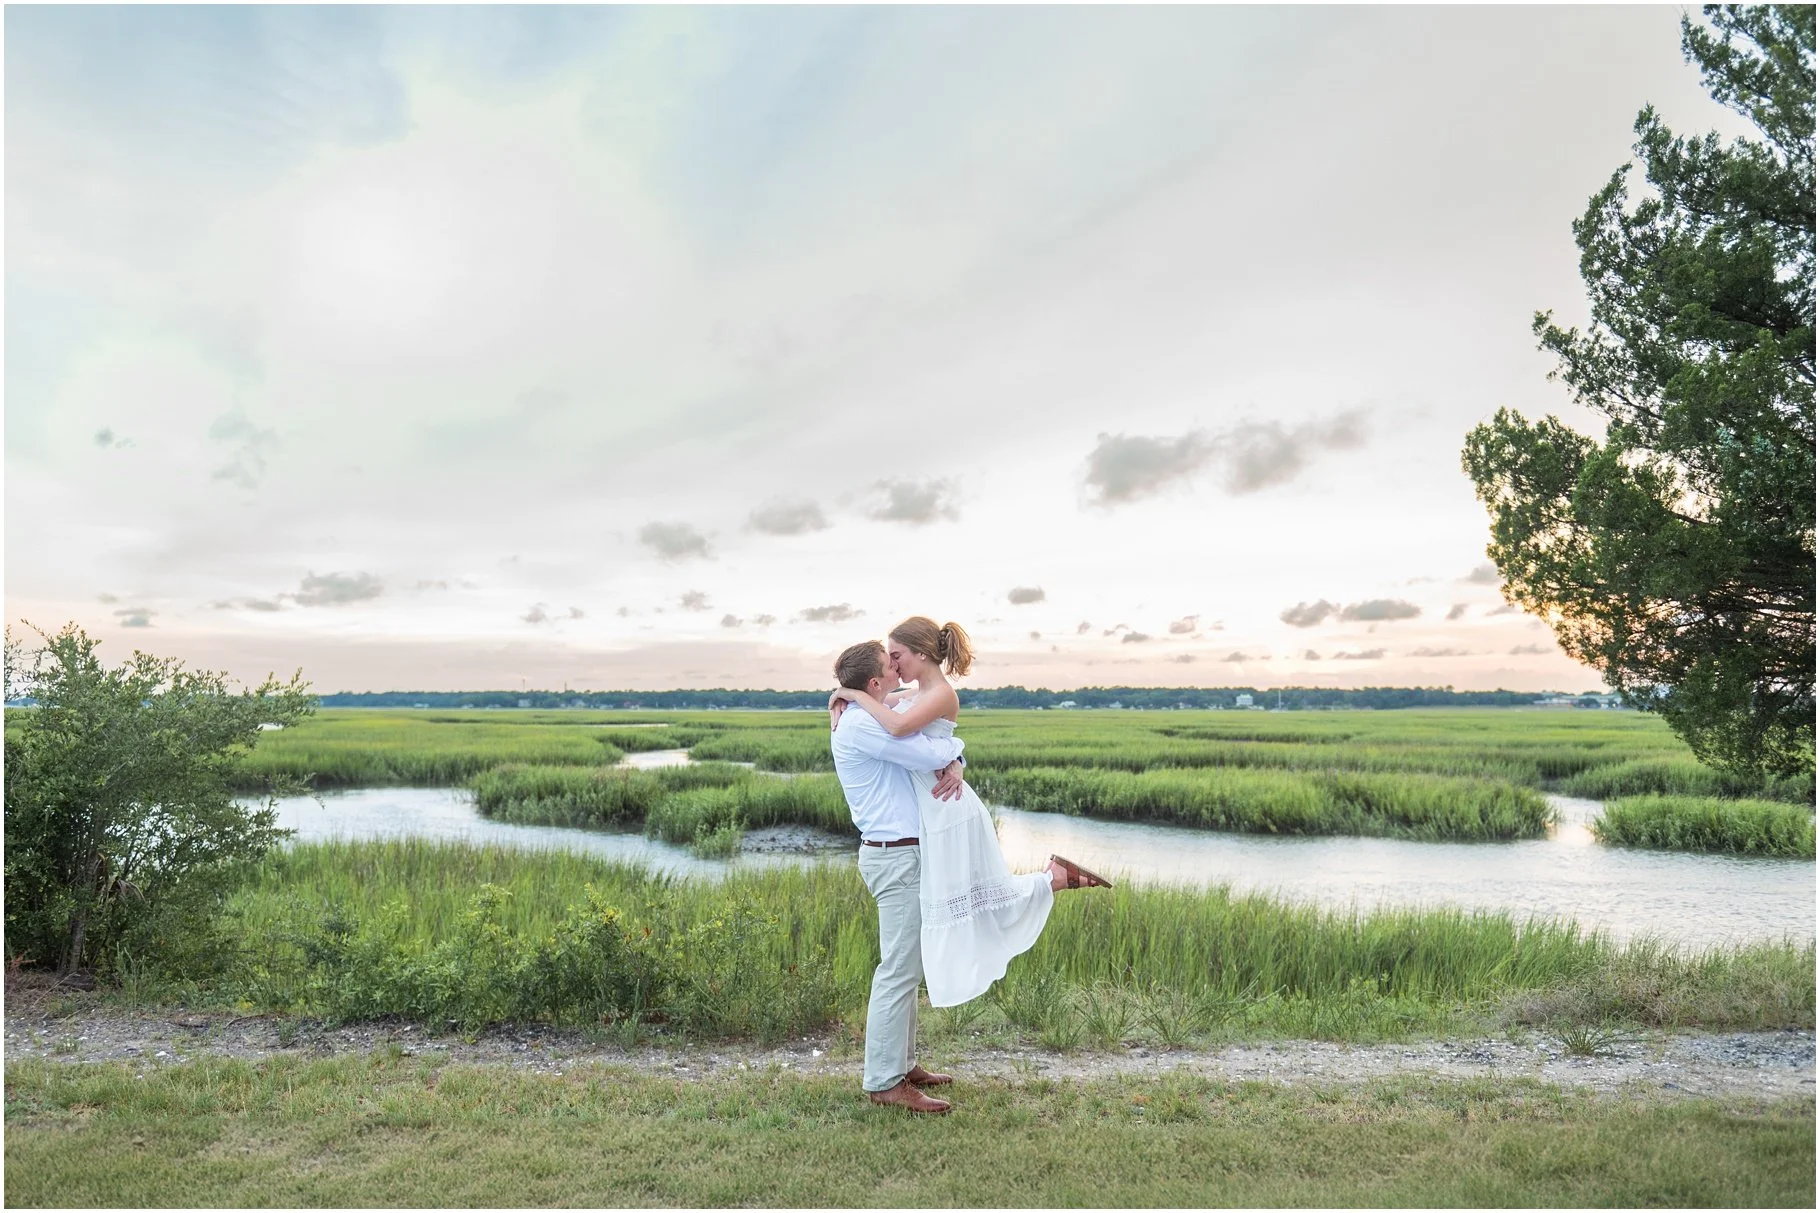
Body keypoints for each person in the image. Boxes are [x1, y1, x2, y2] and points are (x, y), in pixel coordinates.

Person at [830, 617, 1111, 1011]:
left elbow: (895, 728)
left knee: (974, 897)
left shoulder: (939, 694)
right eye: (889, 661)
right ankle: (1053, 878)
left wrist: (852, 696)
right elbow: (883, 705)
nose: (893, 666)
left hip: (947, 806)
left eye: (896, 656)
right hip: (936, 807)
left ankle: (1052, 880)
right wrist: (849, 695)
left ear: (921, 654)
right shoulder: (909, 694)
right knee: (965, 898)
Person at [828, 639, 968, 1115]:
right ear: (874, 682)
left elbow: (924, 731)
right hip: (895, 858)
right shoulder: (863, 724)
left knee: (906, 967)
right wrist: (954, 754)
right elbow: (927, 753)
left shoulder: (867, 712)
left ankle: (903, 1065)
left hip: (901, 855)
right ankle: (885, 1081)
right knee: (898, 971)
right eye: (891, 665)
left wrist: (956, 758)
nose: (897, 667)